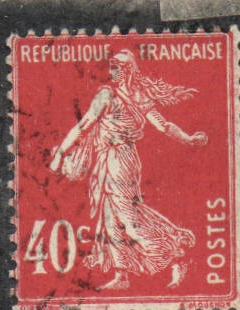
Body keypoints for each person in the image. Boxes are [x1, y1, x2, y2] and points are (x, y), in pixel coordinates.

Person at [48, 49, 207, 290]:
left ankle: (176, 255)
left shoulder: (116, 95)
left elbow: (85, 125)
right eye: (111, 66)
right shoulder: (125, 95)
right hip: (114, 159)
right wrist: (187, 138)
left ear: (128, 70)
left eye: (116, 67)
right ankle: (122, 275)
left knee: (128, 219)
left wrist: (60, 153)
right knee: (111, 218)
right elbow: (162, 126)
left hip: (119, 161)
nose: (111, 71)